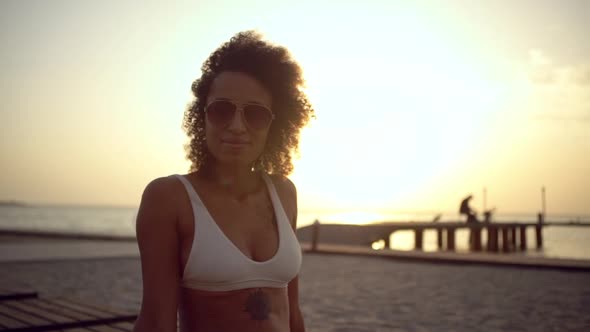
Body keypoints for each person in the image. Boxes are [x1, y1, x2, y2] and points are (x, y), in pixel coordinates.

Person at [133, 31, 314, 332]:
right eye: (222, 110)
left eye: (255, 114)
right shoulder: (169, 198)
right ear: (201, 116)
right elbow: (156, 320)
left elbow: (292, 311)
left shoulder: (284, 192)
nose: (236, 126)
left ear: (277, 124)